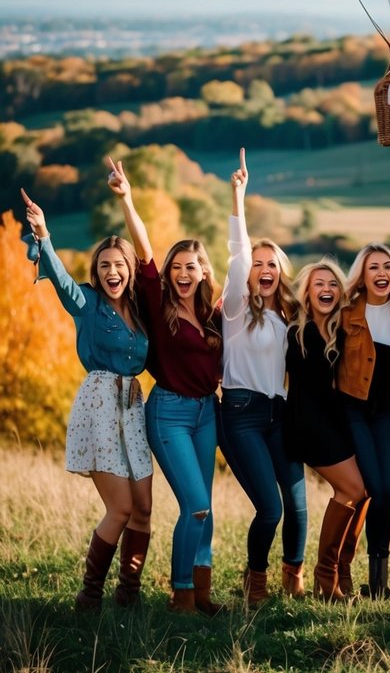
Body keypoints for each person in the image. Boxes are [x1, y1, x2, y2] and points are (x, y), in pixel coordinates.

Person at [20, 187, 153, 611]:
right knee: (121, 507)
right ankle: (89, 594)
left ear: (130, 269)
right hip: (98, 407)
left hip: (134, 411)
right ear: (97, 272)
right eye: (105, 266)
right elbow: (59, 278)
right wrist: (44, 235)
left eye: (119, 265)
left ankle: (128, 594)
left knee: (144, 508)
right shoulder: (88, 303)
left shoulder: (141, 311)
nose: (112, 271)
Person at [108, 158, 223, 615]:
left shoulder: (212, 315)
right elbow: (144, 253)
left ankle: (202, 592)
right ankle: (180, 597)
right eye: (176, 266)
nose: (181, 273)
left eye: (190, 267)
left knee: (206, 509)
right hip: (169, 413)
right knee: (195, 504)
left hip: (206, 413)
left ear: (202, 271)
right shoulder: (159, 305)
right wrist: (128, 200)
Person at [217, 148, 307, 605]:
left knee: (298, 505)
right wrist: (239, 198)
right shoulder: (234, 309)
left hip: (279, 415)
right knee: (269, 509)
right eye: (259, 263)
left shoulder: (289, 314)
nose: (265, 269)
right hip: (240, 413)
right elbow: (236, 255)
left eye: (273, 263)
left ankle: (294, 578)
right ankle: (255, 581)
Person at [284, 259, 368, 601]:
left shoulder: (344, 329)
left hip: (337, 421)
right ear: (307, 291)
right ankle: (325, 575)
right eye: (319, 284)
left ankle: (340, 571)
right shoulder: (295, 331)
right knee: (352, 489)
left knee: (366, 493)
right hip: (307, 423)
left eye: (333, 285)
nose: (327, 290)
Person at [338, 244, 390, 599]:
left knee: (387, 492)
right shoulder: (347, 315)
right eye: (373, 267)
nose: (381, 273)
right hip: (355, 411)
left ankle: (379, 580)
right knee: (371, 490)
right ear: (362, 275)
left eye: (388, 266)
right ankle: (339, 566)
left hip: (389, 412)